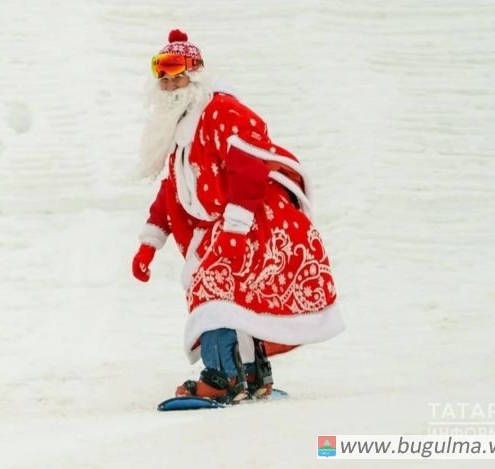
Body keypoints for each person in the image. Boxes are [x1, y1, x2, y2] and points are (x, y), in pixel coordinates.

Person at [132, 29, 345, 403]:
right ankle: (252, 375)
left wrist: (235, 229)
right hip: (223, 227)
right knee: (236, 300)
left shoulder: (222, 112)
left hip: (255, 221)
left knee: (214, 293)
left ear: (196, 72)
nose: (168, 80)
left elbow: (248, 169)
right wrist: (151, 243)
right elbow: (173, 190)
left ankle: (222, 378)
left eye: (177, 70)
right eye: (161, 73)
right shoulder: (180, 128)